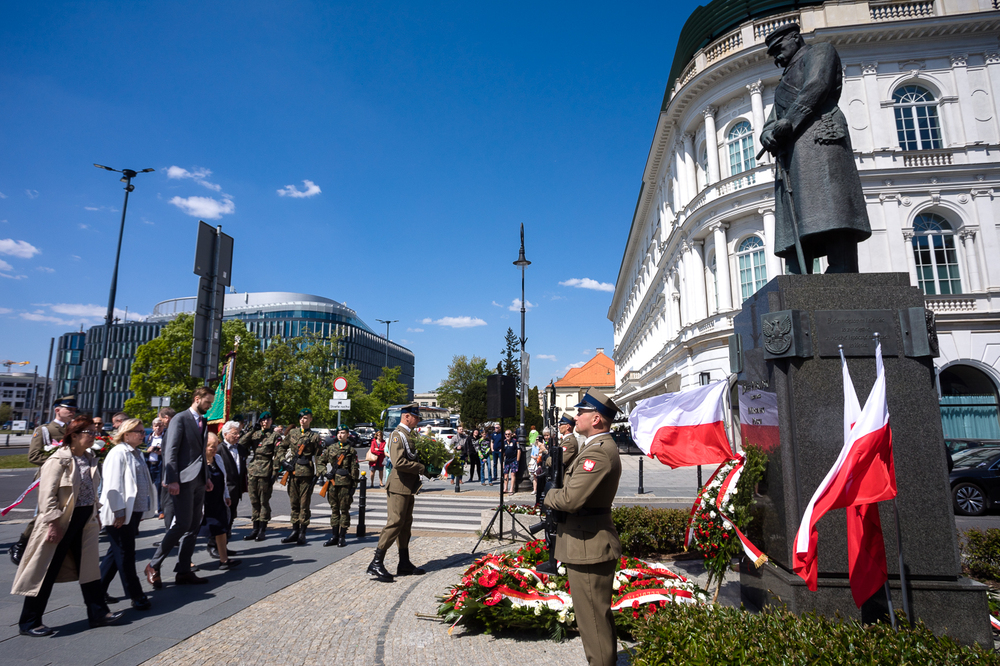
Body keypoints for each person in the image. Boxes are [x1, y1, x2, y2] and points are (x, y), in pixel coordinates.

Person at [759, 22, 871, 274]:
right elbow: (773, 119)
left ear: (795, 38)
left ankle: (842, 270)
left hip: (820, 135)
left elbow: (817, 85)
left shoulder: (820, 51)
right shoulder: (783, 83)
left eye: (779, 48)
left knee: (833, 206)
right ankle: (798, 276)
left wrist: (790, 120)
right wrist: (767, 135)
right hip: (792, 151)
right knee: (796, 217)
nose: (777, 56)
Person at [12, 414, 123, 636]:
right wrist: (53, 523)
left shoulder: (91, 458)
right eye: (88, 433)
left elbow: (91, 493)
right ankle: (30, 622)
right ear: (73, 436)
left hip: (85, 522)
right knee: (45, 571)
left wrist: (96, 513)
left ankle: (99, 613)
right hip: (61, 523)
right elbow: (47, 496)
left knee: (89, 570)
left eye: (94, 432)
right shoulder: (57, 460)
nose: (93, 436)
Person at [544, 389, 622, 666]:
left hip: (589, 545)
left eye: (582, 412)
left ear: (597, 419)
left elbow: (570, 498)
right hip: (585, 541)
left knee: (592, 620)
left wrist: (548, 495)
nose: (576, 416)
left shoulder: (599, 453)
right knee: (594, 616)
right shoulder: (594, 447)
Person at [145, 387, 215, 588]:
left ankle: (183, 571)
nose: (209, 406)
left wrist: (206, 477)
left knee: (193, 526)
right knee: (182, 524)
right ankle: (153, 564)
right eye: (207, 402)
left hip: (199, 480)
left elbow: (201, 453)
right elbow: (171, 450)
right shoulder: (180, 419)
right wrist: (171, 479)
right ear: (197, 399)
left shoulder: (203, 421)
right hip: (182, 480)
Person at [367, 403, 431, 582]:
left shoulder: (409, 434)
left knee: (405, 525)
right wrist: (421, 467)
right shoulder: (397, 435)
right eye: (415, 417)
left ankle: (404, 562)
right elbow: (398, 462)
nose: (418, 421)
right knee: (395, 523)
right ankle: (376, 562)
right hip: (398, 485)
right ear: (406, 417)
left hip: (408, 486)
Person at [9, 395, 77, 565]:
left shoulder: (74, 430)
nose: (72, 412)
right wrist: (59, 461)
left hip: (70, 478)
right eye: (69, 409)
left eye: (74, 410)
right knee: (44, 513)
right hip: (50, 478)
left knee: (67, 513)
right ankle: (21, 544)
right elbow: (34, 455)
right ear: (57, 410)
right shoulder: (45, 430)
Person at [99, 418, 155, 610]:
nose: (142, 434)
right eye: (138, 431)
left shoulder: (137, 452)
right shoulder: (118, 453)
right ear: (126, 434)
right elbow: (113, 485)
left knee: (115, 553)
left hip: (134, 511)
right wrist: (119, 511)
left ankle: (97, 591)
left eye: (142, 431)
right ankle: (136, 594)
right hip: (121, 513)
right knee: (125, 553)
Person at [279, 408, 322, 546]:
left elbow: (319, 456)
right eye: (301, 418)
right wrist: (283, 462)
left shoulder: (314, 436)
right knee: (294, 503)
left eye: (306, 418)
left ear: (310, 419)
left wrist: (319, 473)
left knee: (304, 504)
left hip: (307, 474)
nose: (303, 420)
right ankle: (294, 531)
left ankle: (302, 533)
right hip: (292, 472)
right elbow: (281, 448)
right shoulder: (292, 433)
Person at [317, 425, 360, 547]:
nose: (340, 435)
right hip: (332, 483)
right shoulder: (331, 448)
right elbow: (321, 462)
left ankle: (342, 536)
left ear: (347, 434)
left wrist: (354, 485)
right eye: (339, 433)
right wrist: (325, 473)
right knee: (334, 510)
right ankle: (334, 536)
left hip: (345, 484)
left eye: (343, 433)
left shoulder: (351, 450)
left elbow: (354, 468)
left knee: (344, 510)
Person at [203, 432, 240, 570]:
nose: (214, 449)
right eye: (211, 447)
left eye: (216, 446)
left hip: (217, 501)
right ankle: (186, 562)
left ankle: (224, 560)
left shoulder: (217, 458)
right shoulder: (198, 461)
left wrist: (226, 495)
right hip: (202, 503)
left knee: (221, 530)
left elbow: (223, 479)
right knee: (193, 532)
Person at [244, 415, 279, 542]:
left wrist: (274, 473)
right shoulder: (255, 434)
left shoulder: (275, 436)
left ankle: (262, 529)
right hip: (253, 470)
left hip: (266, 469)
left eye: (268, 419)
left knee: (264, 501)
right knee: (254, 500)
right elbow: (242, 443)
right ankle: (255, 528)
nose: (266, 422)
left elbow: (278, 456)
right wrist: (252, 430)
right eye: (263, 420)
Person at [218, 420, 248, 547]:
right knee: (221, 520)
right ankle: (216, 546)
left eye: (239, 433)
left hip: (236, 490)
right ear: (225, 434)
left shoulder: (241, 449)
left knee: (230, 519)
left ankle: (224, 546)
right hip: (222, 490)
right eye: (234, 433)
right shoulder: (219, 449)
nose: (238, 436)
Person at [503, 429, 520, 494]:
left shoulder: (515, 441)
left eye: (508, 434)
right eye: (506, 434)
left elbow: (519, 450)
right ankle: (505, 488)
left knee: (513, 474)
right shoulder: (504, 442)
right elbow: (503, 453)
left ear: (511, 435)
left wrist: (517, 460)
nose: (507, 435)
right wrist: (502, 461)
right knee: (505, 474)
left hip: (513, 460)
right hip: (507, 460)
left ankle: (511, 489)